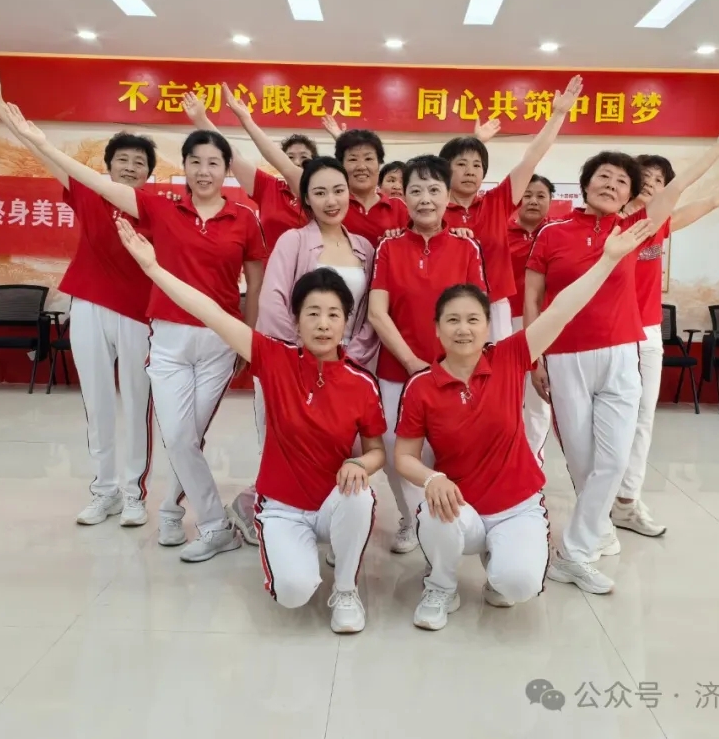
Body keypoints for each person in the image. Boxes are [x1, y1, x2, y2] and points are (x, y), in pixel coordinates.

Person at [2, 103, 267, 562]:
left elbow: (256, 283)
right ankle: (198, 518)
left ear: (227, 169)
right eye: (196, 161)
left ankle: (172, 511)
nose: (204, 171)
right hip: (166, 338)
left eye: (214, 163)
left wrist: (250, 334)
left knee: (190, 436)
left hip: (218, 340)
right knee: (177, 435)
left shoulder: (244, 218)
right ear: (183, 167)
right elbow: (96, 183)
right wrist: (40, 142)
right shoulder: (161, 209)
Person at [525, 120, 719, 594]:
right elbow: (533, 298)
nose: (611, 185)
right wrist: (535, 357)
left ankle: (573, 552)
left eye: (621, 181)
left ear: (631, 195)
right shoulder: (551, 233)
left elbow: (681, 187)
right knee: (584, 463)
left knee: (613, 461)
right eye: (603, 177)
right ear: (586, 183)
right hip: (565, 358)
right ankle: (588, 539)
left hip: (620, 356)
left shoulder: (634, 229)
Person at [117, 226, 385, 633]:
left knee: (360, 495)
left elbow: (377, 450)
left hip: (332, 500)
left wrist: (360, 464)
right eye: (312, 313)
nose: (323, 324)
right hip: (284, 507)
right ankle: (282, 543)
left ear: (346, 321)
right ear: (296, 320)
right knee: (294, 592)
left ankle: (346, 589)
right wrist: (153, 269)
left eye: (334, 314)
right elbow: (211, 312)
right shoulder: (274, 359)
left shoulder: (361, 382)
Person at [394, 222, 652, 630]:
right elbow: (404, 457)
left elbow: (562, 309)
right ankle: (441, 585)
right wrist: (432, 478)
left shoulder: (510, 355)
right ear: (437, 329)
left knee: (517, 585)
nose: (463, 329)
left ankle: (500, 563)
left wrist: (607, 260)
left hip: (515, 504)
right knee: (435, 513)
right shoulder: (421, 386)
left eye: (473, 319)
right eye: (452, 320)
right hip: (459, 506)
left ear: (487, 326)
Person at [0, 65, 155, 528]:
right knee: (97, 402)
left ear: (149, 172)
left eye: (139, 162)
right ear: (109, 165)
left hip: (138, 313)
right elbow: (37, 145)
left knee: (138, 402)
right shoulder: (86, 194)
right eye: (123, 160)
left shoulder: (156, 209)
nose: (130, 167)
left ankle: (134, 494)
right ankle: (104, 491)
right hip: (88, 304)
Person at [613, 148, 719, 538]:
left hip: (647, 333)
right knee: (604, 422)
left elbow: (712, 200)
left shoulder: (660, 224)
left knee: (642, 419)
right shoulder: (609, 222)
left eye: (659, 181)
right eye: (644, 177)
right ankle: (595, 499)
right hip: (607, 333)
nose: (650, 184)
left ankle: (626, 501)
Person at [225, 157, 379, 547]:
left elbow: (366, 313)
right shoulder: (293, 241)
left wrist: (350, 355)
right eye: (320, 192)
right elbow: (273, 302)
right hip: (291, 364)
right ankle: (265, 511)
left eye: (338, 190)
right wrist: (301, 355)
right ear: (306, 199)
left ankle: (336, 521)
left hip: (346, 366)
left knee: (341, 448)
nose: (331, 200)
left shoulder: (364, 247)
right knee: (284, 447)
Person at [368, 155, 488, 553]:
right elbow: (377, 312)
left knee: (450, 449)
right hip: (396, 372)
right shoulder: (388, 247)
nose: (425, 199)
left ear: (447, 196)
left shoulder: (466, 247)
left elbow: (476, 313)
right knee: (395, 450)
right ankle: (413, 518)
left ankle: (452, 521)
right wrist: (412, 363)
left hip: (453, 372)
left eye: (434, 190)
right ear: (403, 198)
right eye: (415, 191)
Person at [441, 76, 584, 343]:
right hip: (447, 304)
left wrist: (558, 114)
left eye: (477, 165)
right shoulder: (434, 210)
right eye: (461, 164)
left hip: (495, 305)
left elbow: (532, 157)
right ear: (445, 170)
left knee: (498, 366)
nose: (470, 171)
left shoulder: (497, 201)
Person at [222, 89, 406, 246]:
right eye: (352, 159)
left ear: (379, 163)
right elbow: (283, 164)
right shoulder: (331, 200)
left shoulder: (399, 208)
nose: (361, 166)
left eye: (368, 159)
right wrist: (247, 121)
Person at [181, 91, 315, 256]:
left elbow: (289, 169)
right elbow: (233, 156)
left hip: (312, 270)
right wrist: (201, 120)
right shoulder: (270, 188)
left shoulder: (318, 195)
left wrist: (247, 121)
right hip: (271, 270)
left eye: (304, 158)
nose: (296, 162)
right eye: (290, 157)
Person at [508, 175, 555, 463]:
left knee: (539, 395)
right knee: (507, 395)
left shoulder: (556, 233)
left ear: (550, 200)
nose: (533, 201)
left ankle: (532, 462)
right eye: (527, 195)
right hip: (505, 322)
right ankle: (505, 459)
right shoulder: (500, 232)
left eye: (540, 196)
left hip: (546, 323)